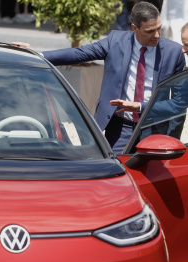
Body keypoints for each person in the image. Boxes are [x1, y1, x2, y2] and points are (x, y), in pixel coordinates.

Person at [12, 2, 185, 153]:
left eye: (159, 28)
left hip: (153, 126)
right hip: (120, 126)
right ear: (134, 28)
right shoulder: (116, 41)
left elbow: (179, 102)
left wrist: (140, 107)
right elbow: (80, 53)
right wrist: (36, 54)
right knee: (117, 173)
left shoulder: (173, 52)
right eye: (150, 31)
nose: (157, 35)